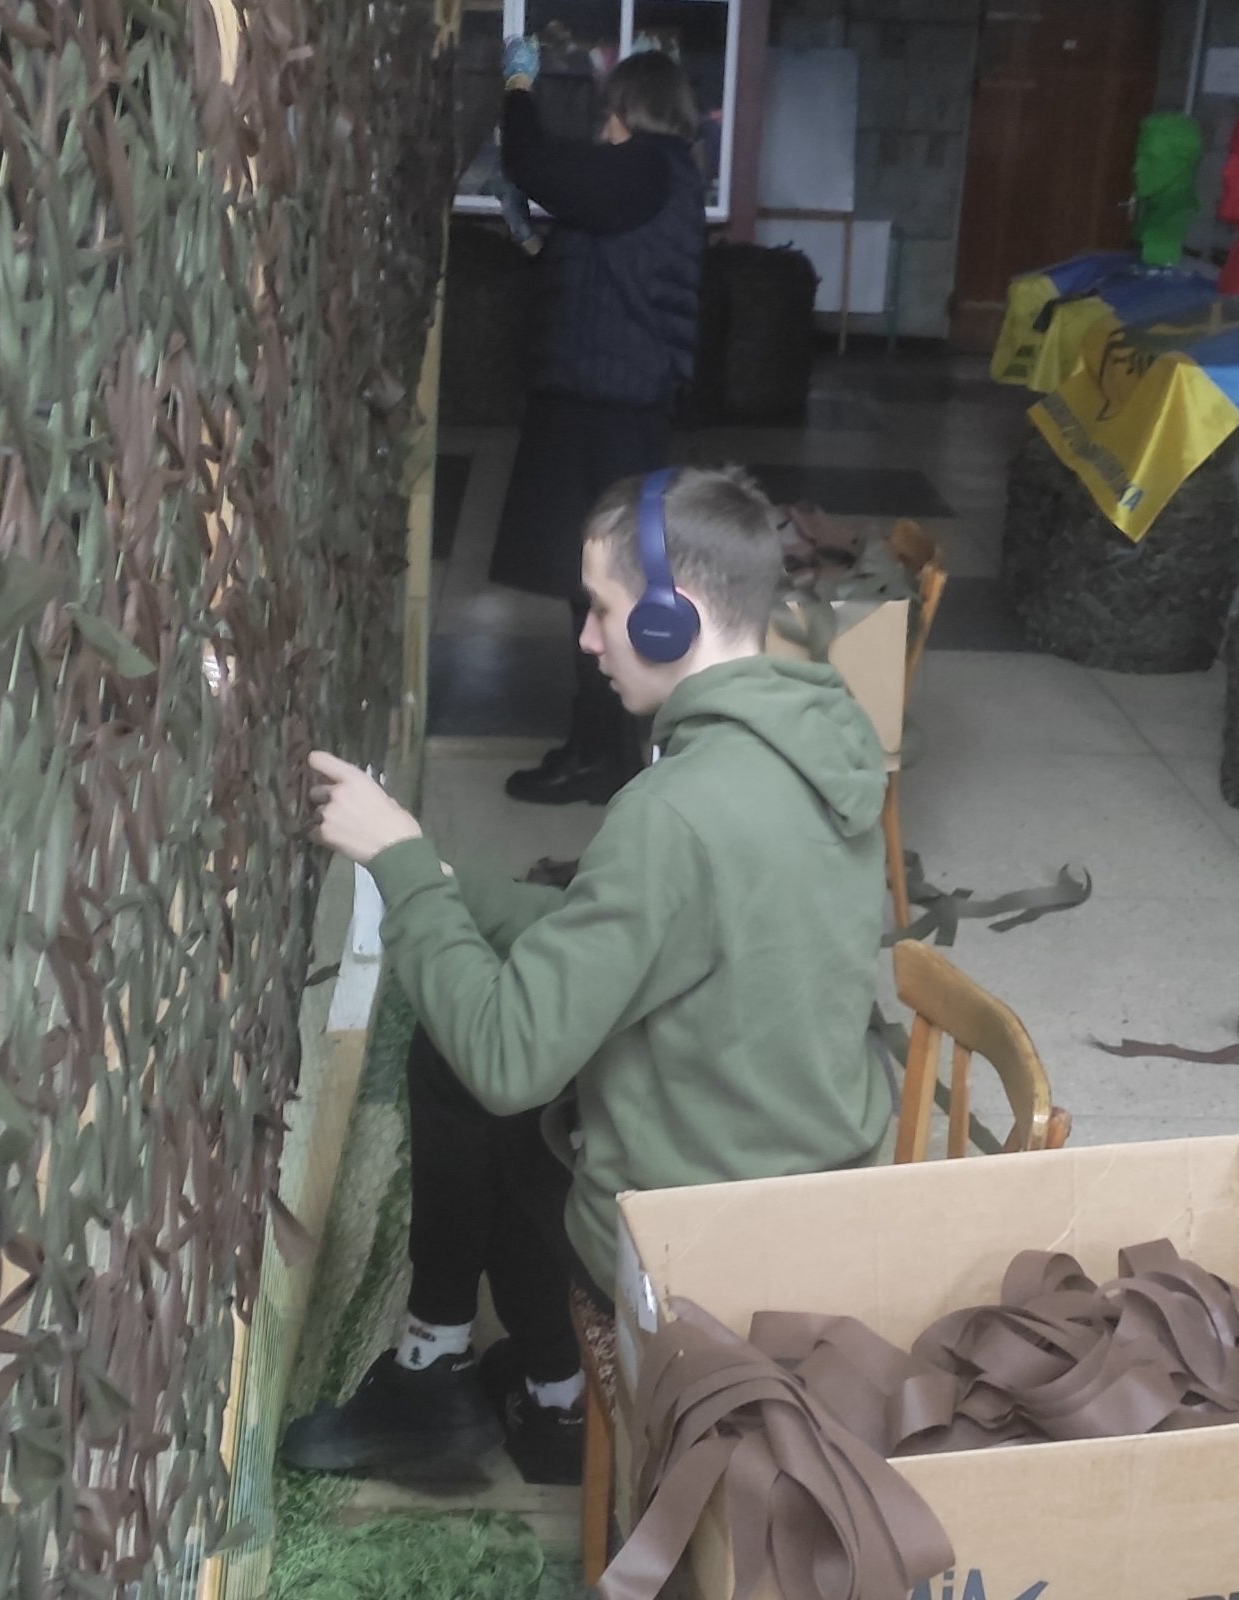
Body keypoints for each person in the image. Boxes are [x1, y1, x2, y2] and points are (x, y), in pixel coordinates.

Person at [281, 467, 890, 1488]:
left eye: (602, 611)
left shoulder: (674, 811)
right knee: (491, 1052)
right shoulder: (817, 744)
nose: (587, 641)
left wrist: (398, 869)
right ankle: (541, 1390)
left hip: (698, 1234)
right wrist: (455, 884)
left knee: (468, 1069)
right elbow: (660, 931)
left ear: (667, 619)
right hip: (807, 1173)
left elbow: (507, 1060)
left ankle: (474, 1384)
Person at [490, 38, 707, 806]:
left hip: (604, 413)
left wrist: (519, 90)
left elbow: (532, 160)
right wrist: (533, 241)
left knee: (599, 587)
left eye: (610, 111)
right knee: (592, 584)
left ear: (632, 111)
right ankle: (600, 747)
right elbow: (608, 268)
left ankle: (602, 756)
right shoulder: (653, 177)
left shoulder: (644, 166)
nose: (602, 127)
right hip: (606, 406)